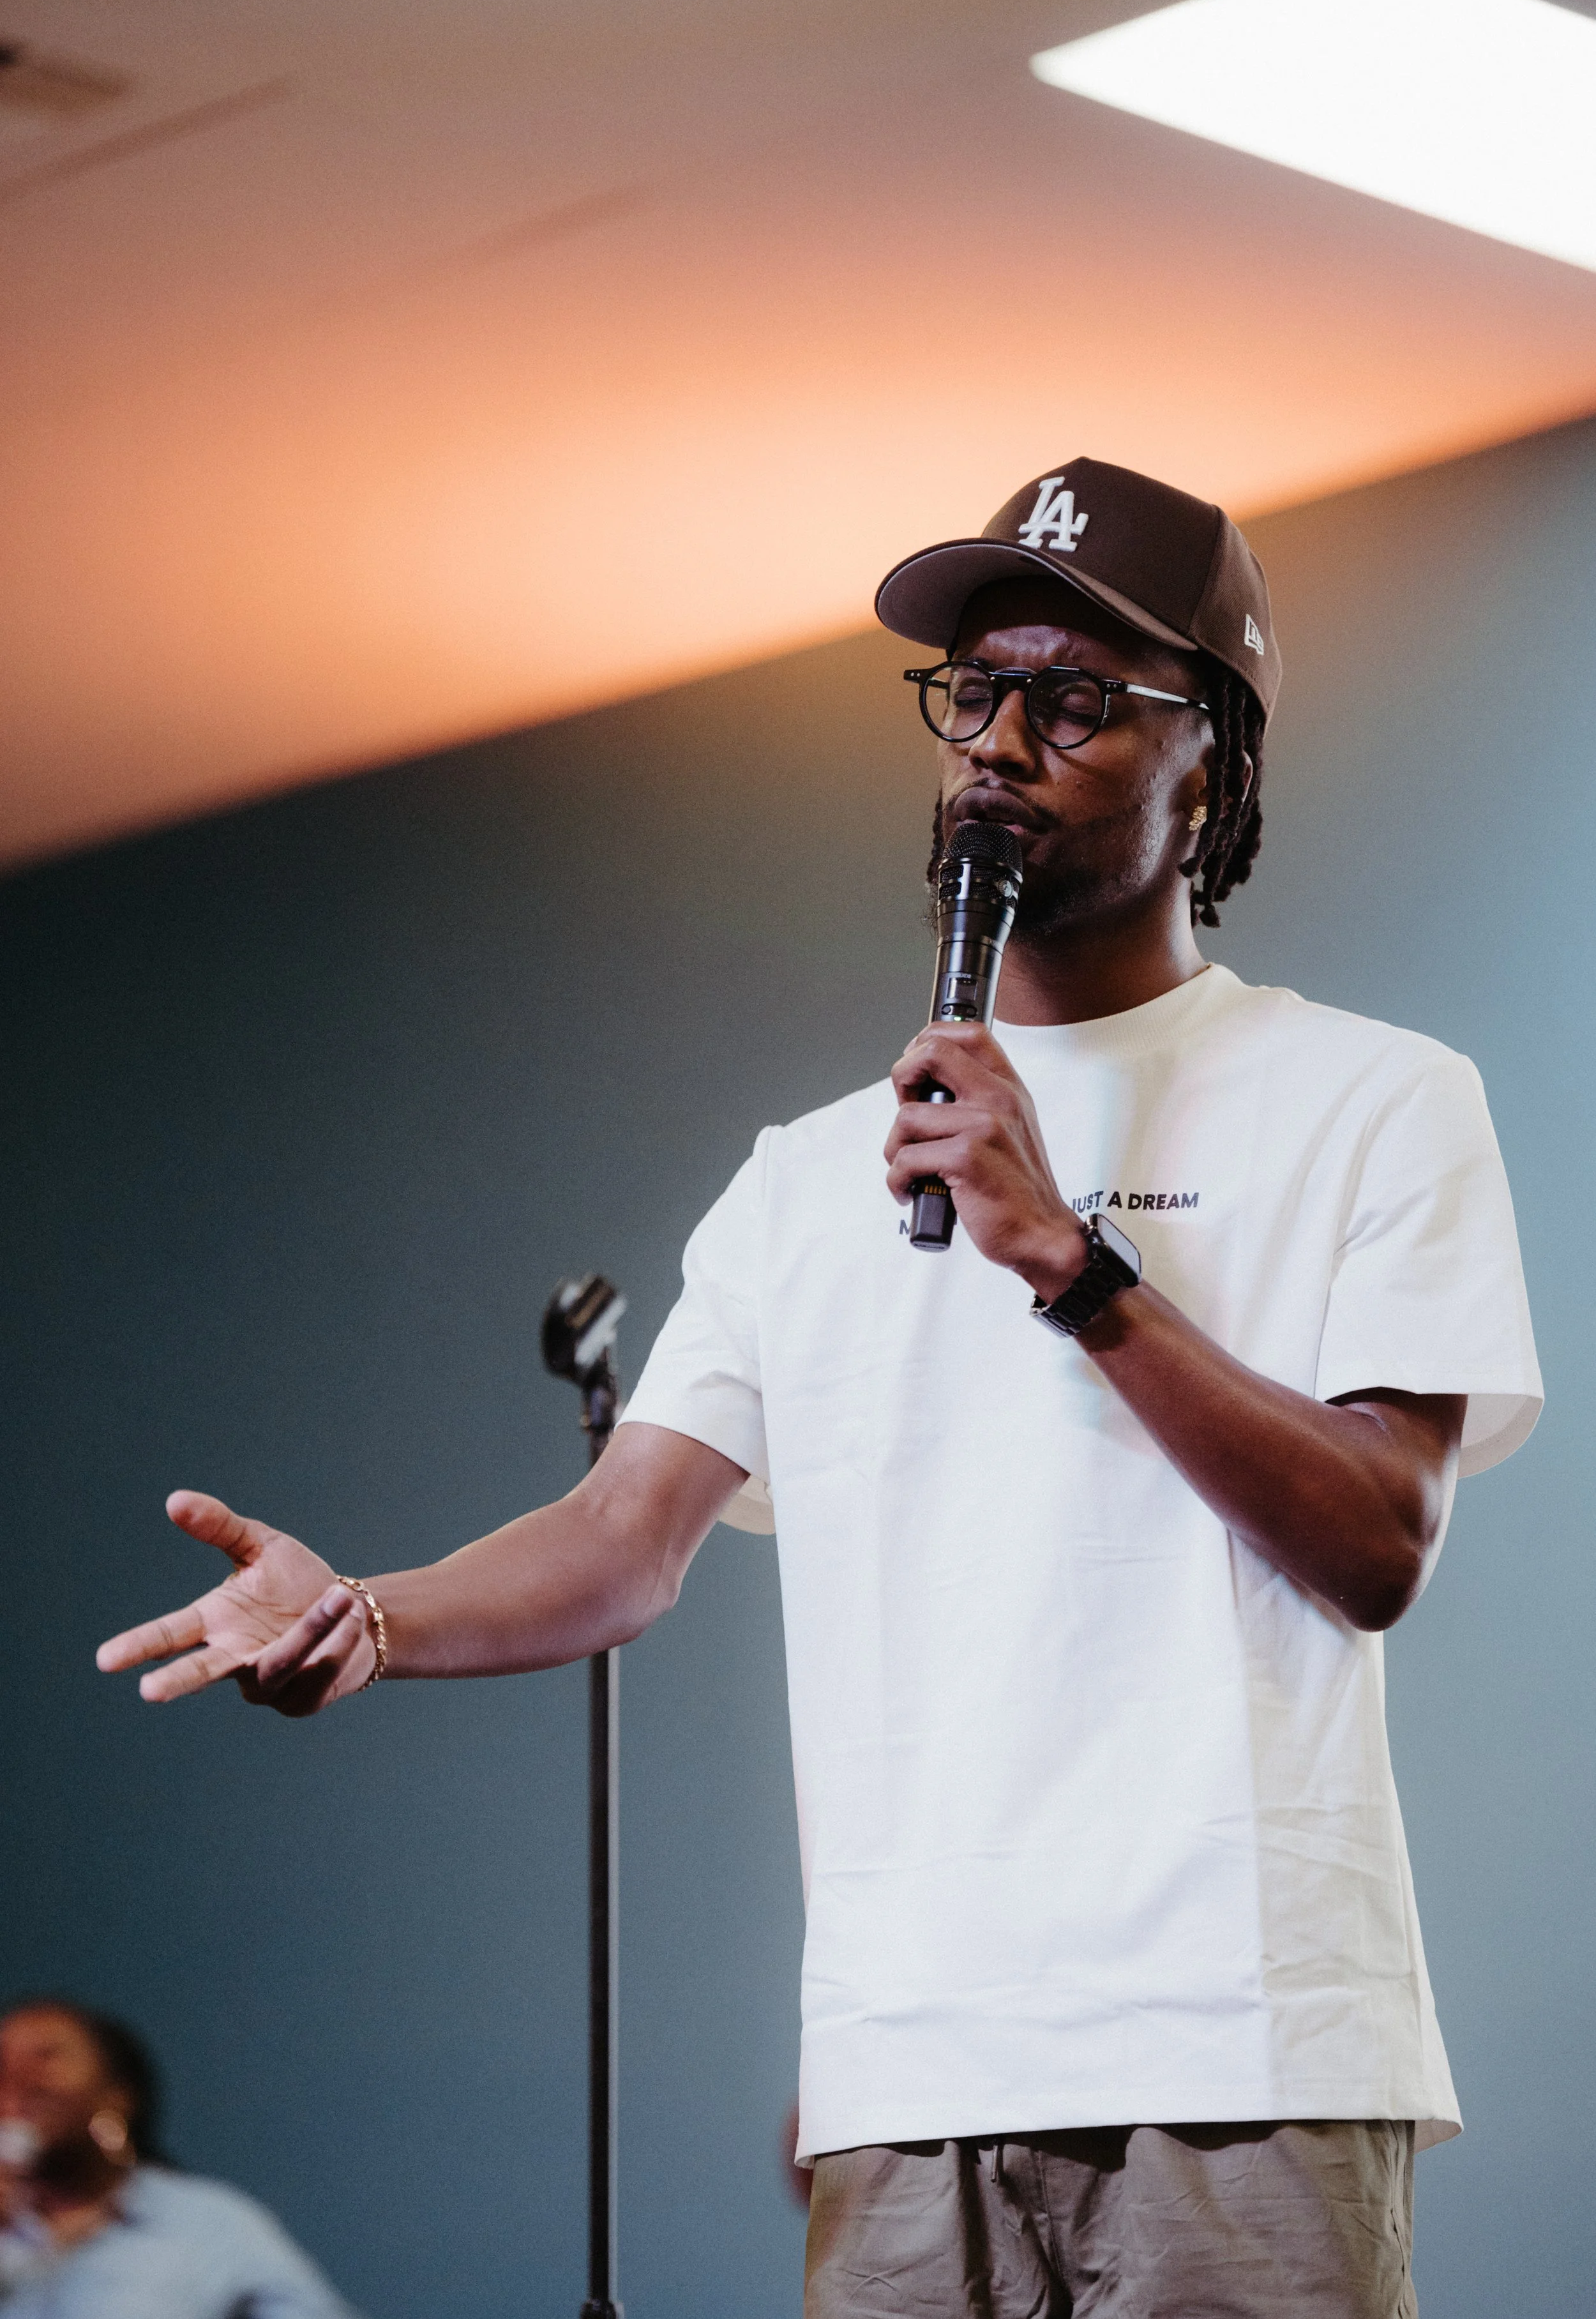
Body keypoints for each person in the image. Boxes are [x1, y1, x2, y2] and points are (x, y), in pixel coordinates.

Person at [98, 457, 1542, 2317]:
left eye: (1076, 697)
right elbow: (623, 1535)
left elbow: (1370, 1539)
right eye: (973, 690)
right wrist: (368, 1614)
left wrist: (1073, 1263)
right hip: (902, 2070)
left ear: (1215, 761)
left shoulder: (1372, 1098)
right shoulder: (800, 1178)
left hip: (1238, 2054)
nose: (999, 740)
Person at [0, 1999, 358, 2316]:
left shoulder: (202, 2220)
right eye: (3, 2061)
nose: (16, 2076)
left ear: (116, 2097)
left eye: (45, 2056)